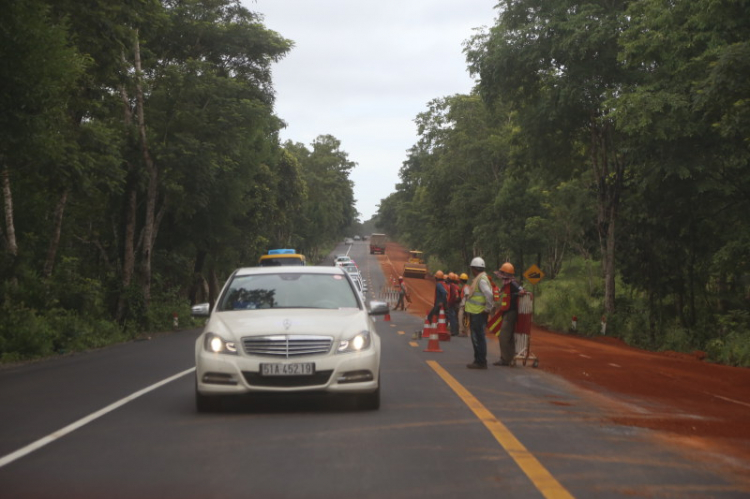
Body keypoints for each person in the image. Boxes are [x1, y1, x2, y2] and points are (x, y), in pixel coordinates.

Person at [464, 257, 494, 369]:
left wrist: (487, 309)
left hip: (478, 313)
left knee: (478, 337)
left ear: (474, 269)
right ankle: (479, 360)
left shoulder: (481, 279)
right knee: (477, 336)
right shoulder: (480, 278)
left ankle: (480, 361)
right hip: (476, 312)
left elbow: (489, 295)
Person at [492, 262, 524, 366]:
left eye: (502, 273)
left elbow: (522, 291)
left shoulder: (513, 284)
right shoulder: (507, 284)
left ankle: (505, 359)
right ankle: (509, 358)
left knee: (504, 336)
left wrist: (518, 293)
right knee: (507, 336)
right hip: (507, 312)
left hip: (511, 312)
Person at [457, 272, 470, 336]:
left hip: (464, 306)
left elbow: (467, 296)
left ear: (461, 280)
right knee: (465, 320)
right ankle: (465, 332)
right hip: (466, 305)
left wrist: (466, 306)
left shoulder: (466, 287)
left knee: (461, 318)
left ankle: (462, 332)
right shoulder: (465, 287)